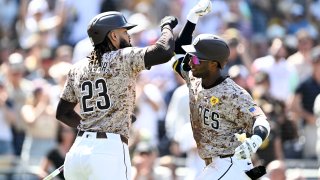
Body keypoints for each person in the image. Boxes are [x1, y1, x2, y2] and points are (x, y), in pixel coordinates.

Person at [55, 11, 178, 180]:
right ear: (113, 36)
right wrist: (166, 26)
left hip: (78, 151)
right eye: (125, 32)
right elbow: (164, 51)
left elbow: (63, 113)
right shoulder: (123, 57)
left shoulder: (78, 67)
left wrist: (92, 129)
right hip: (108, 152)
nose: (129, 37)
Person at [171, 2, 270, 179]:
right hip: (217, 165)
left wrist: (256, 139)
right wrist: (192, 18)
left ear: (213, 64)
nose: (190, 61)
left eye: (195, 59)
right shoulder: (194, 77)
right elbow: (178, 52)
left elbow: (260, 119)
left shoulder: (234, 94)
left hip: (231, 162)